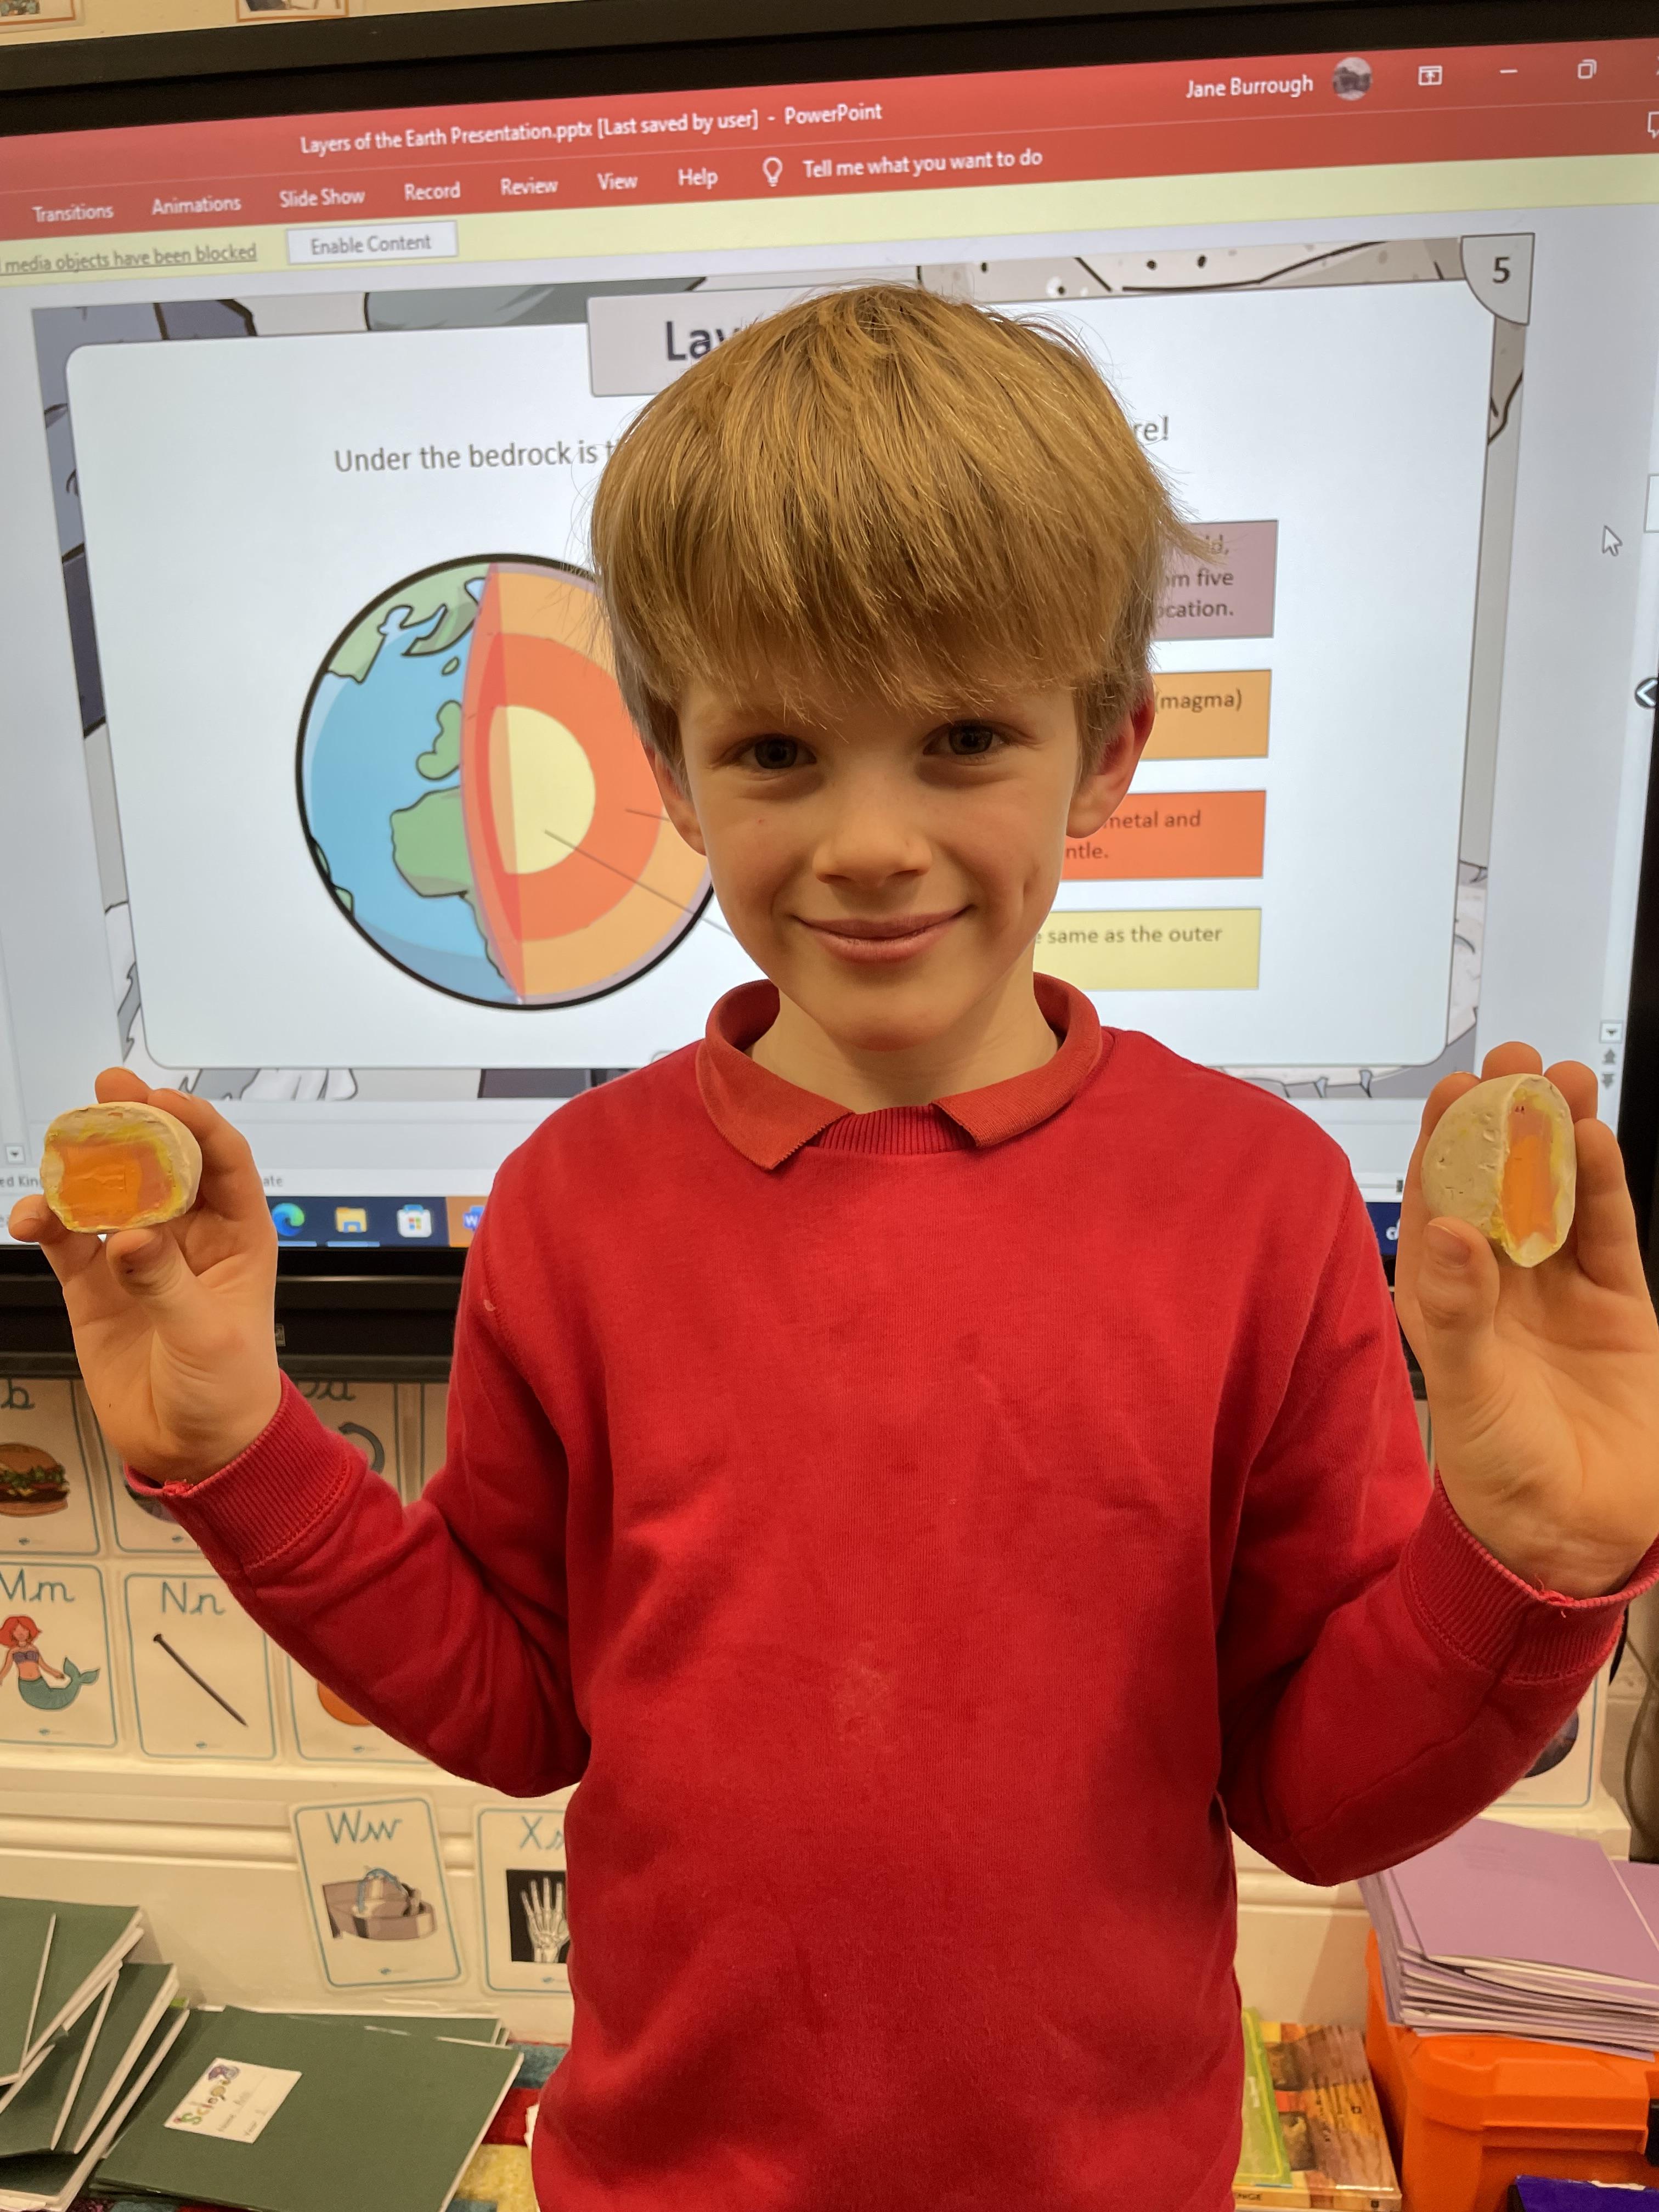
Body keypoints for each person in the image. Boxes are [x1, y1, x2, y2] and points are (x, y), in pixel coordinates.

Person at [13, 286, 1659, 2211]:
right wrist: (237, 1448)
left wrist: (1533, 1562)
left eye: (964, 736)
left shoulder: (1263, 1202)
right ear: (670, 763)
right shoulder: (574, 1202)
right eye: (782, 749)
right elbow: (516, 1704)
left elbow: (1318, 1794)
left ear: (1107, 750)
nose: (871, 840)